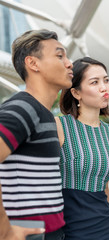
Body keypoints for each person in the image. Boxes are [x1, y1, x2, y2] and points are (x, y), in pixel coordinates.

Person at [0, 29, 73, 240]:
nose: (69, 63)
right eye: (59, 56)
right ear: (33, 63)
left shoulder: (44, 114)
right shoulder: (23, 108)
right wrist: (5, 231)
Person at [55, 57, 109, 240]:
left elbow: (104, 187)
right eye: (95, 82)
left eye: (106, 80)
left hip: (105, 227)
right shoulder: (59, 126)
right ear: (76, 93)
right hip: (70, 229)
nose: (104, 87)